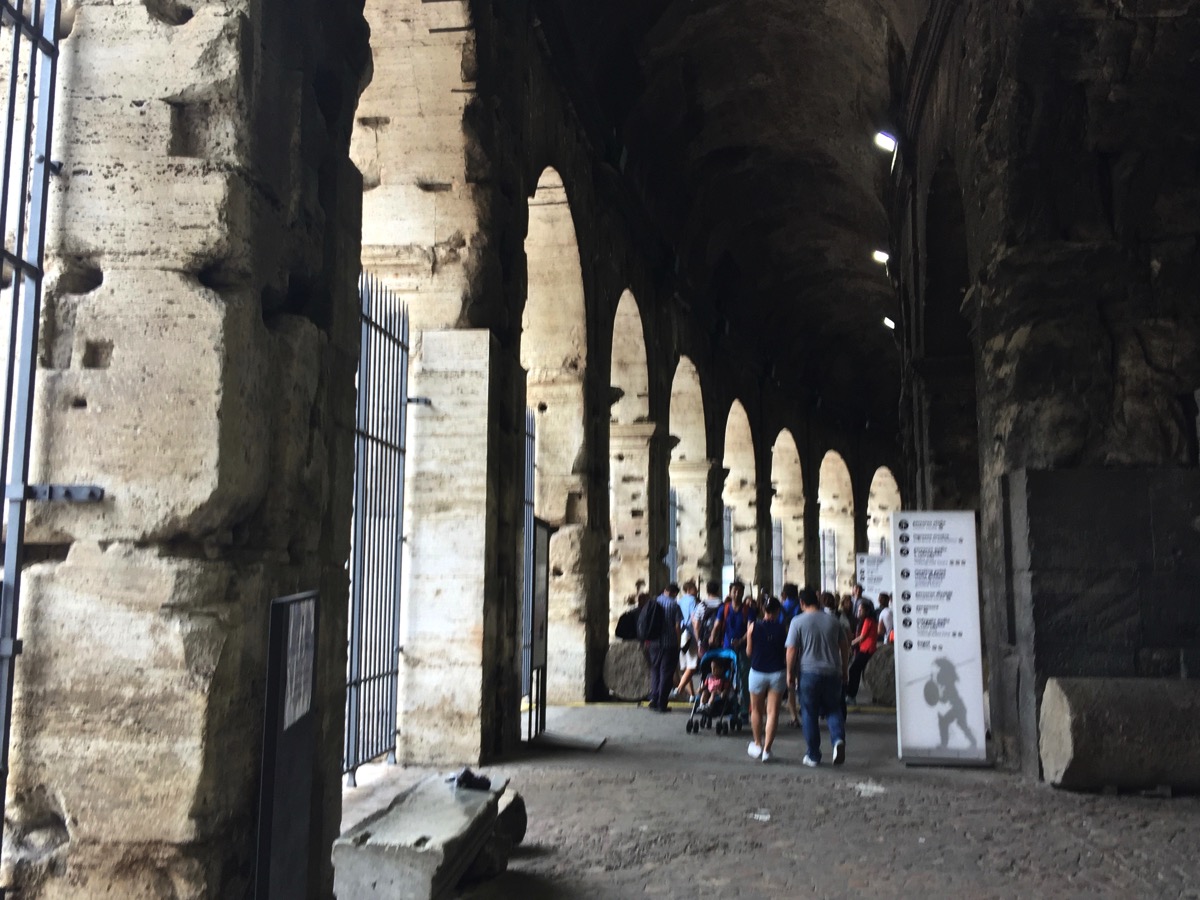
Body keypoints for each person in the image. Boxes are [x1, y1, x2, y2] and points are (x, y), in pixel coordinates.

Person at [786, 587, 849, 766]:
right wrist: (845, 670)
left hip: (808, 673)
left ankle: (813, 755)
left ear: (802, 603)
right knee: (833, 709)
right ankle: (837, 740)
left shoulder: (797, 622)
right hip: (833, 672)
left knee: (809, 712)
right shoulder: (833, 621)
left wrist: (790, 674)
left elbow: (791, 650)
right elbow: (844, 646)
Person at [746, 597, 788, 762]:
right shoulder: (782, 628)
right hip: (777, 672)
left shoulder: (753, 627)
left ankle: (757, 743)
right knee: (773, 712)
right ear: (777, 611)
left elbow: (749, 652)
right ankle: (767, 750)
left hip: (757, 672)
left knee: (756, 710)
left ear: (764, 609)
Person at [645, 589, 682, 712]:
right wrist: (678, 643)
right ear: (674, 593)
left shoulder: (653, 602)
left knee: (655, 671)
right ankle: (662, 702)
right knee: (666, 673)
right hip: (669, 643)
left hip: (653, 643)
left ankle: (654, 699)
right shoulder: (674, 605)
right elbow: (677, 626)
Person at [846, 598, 877, 705]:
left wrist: (850, 644)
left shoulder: (868, 621)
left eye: (861, 610)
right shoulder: (868, 621)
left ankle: (851, 696)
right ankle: (850, 694)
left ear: (867, 611)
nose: (858, 612)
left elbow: (862, 637)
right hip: (864, 649)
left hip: (866, 650)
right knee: (854, 670)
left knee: (854, 670)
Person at [779, 583, 802, 728]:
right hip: (802, 645)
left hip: (786, 646)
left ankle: (794, 716)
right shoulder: (801, 607)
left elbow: (779, 624)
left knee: (790, 681)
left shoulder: (782, 607)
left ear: (784, 594)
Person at [673, 580, 700, 699]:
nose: (697, 590)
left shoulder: (679, 601)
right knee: (692, 664)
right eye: (695, 588)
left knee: (685, 665)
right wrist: (698, 637)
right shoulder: (692, 601)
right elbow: (694, 619)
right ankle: (679, 688)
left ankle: (692, 695)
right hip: (689, 634)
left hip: (682, 635)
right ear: (689, 589)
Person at [694, 579, 724, 655]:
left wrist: (699, 642)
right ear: (718, 591)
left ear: (707, 591)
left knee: (705, 663)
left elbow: (696, 625)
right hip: (720, 639)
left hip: (705, 639)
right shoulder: (723, 605)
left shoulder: (701, 605)